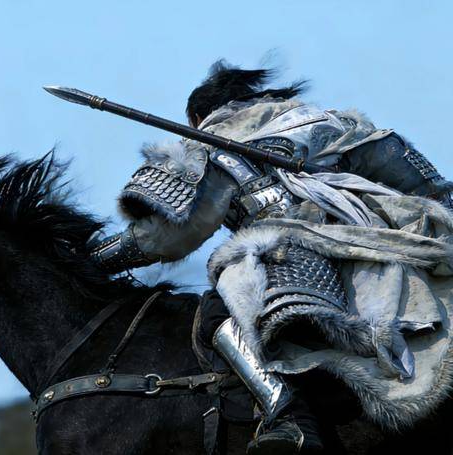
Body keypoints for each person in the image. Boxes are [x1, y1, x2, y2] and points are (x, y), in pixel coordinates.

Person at [89, 60, 453, 454]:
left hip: (288, 249)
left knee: (216, 312)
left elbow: (174, 233)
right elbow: (428, 187)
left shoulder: (210, 143)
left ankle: (287, 417)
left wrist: (94, 259)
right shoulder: (335, 122)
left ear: (197, 116)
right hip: (383, 241)